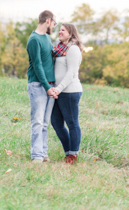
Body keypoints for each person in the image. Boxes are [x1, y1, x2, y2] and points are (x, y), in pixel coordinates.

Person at [49, 23, 84, 164]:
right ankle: (68, 152)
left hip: (69, 91)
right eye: (59, 30)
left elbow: (71, 73)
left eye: (63, 30)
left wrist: (59, 88)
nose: (60, 32)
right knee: (57, 123)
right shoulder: (59, 49)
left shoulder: (73, 49)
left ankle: (72, 155)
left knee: (72, 123)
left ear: (71, 33)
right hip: (58, 91)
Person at [26, 10, 58, 163]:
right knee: (37, 121)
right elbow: (37, 65)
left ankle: (43, 153)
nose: (54, 26)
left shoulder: (47, 38)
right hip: (38, 85)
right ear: (48, 21)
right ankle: (36, 155)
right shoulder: (34, 39)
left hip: (50, 85)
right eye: (54, 23)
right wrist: (46, 87)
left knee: (45, 122)